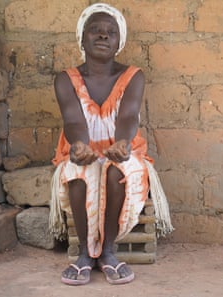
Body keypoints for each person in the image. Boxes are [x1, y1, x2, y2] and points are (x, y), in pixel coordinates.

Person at [49, 3, 172, 286]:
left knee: (118, 170)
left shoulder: (133, 76)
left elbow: (129, 115)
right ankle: (84, 253)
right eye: (95, 30)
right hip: (82, 149)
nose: (103, 36)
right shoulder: (66, 79)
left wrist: (122, 144)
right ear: (82, 39)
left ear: (119, 42)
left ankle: (107, 252)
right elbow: (73, 120)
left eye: (110, 32)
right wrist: (79, 146)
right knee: (76, 171)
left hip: (124, 147)